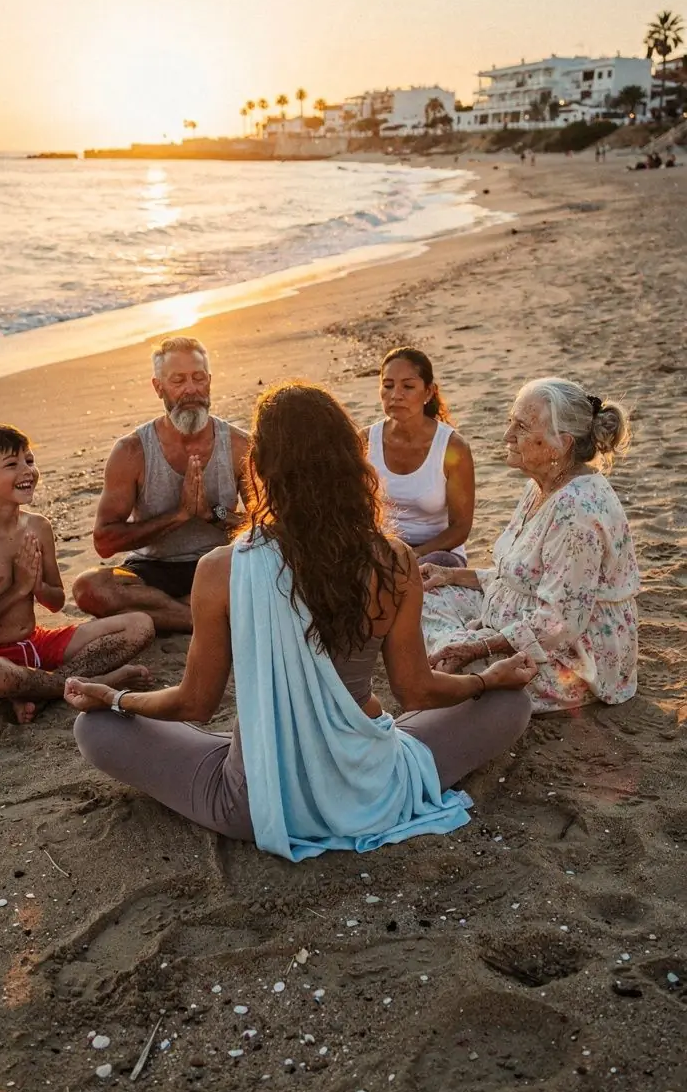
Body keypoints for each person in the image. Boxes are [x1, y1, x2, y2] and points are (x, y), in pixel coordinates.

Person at [65, 383, 535, 858]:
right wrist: (486, 681)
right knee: (511, 703)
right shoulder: (393, 560)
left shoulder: (221, 569)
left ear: (258, 467)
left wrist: (116, 697)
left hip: (257, 802)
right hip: (374, 787)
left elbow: (194, 703)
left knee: (96, 728)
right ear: (351, 463)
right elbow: (417, 692)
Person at [420, 379, 639, 713]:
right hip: (519, 621)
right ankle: (455, 648)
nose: (507, 435)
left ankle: (458, 653)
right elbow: (521, 576)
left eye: (521, 427)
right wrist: (451, 576)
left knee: (457, 662)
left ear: (561, 444)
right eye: (511, 421)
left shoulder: (576, 512)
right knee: (426, 593)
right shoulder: (542, 486)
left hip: (573, 659)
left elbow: (560, 623)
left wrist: (479, 647)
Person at [0, 424, 154, 723]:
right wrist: (18, 589)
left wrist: (37, 587)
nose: (27, 471)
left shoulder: (38, 526)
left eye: (29, 461)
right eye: (12, 464)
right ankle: (97, 683)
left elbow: (56, 602)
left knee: (140, 625)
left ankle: (45, 689)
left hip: (35, 644)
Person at [73, 337, 249, 632]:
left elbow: (266, 529)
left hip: (220, 563)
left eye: (198, 378)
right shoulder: (132, 451)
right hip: (153, 570)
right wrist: (178, 516)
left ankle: (169, 611)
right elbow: (104, 542)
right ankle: (200, 619)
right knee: (90, 587)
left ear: (209, 382)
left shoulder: (239, 445)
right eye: (178, 380)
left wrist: (212, 514)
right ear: (158, 387)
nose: (191, 389)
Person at [362, 348, 474, 567]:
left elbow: (460, 527)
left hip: (437, 552)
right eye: (388, 385)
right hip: (382, 549)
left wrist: (414, 555)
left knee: (428, 572)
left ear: (428, 392)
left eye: (408, 386)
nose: (396, 395)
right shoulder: (365, 442)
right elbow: (353, 511)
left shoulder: (453, 447)